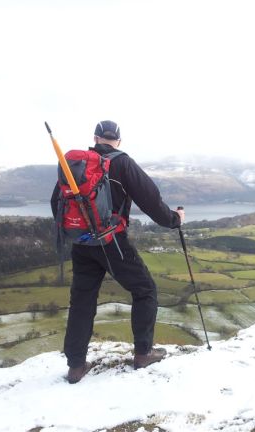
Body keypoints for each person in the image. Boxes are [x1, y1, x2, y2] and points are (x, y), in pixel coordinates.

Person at [50, 120, 185, 384]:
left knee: (82, 301)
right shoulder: (122, 163)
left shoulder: (74, 165)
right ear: (118, 141)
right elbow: (151, 200)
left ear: (96, 138)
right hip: (112, 243)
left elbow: (56, 202)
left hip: (81, 244)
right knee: (145, 289)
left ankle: (76, 366)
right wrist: (174, 219)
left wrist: (76, 232)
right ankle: (143, 354)